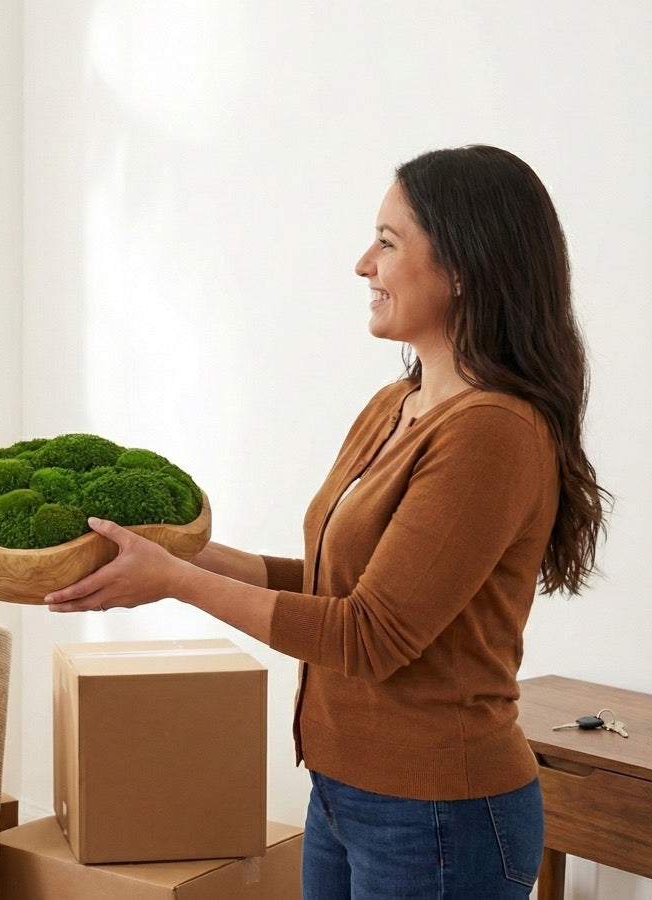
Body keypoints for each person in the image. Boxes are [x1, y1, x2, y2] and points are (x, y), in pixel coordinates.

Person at [46, 145, 609, 899]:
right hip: (345, 795)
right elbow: (329, 588)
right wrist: (183, 553)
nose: (361, 265)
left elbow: (368, 635)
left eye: (387, 241)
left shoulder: (492, 433)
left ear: (465, 267)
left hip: (439, 816)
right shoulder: (397, 406)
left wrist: (176, 581)